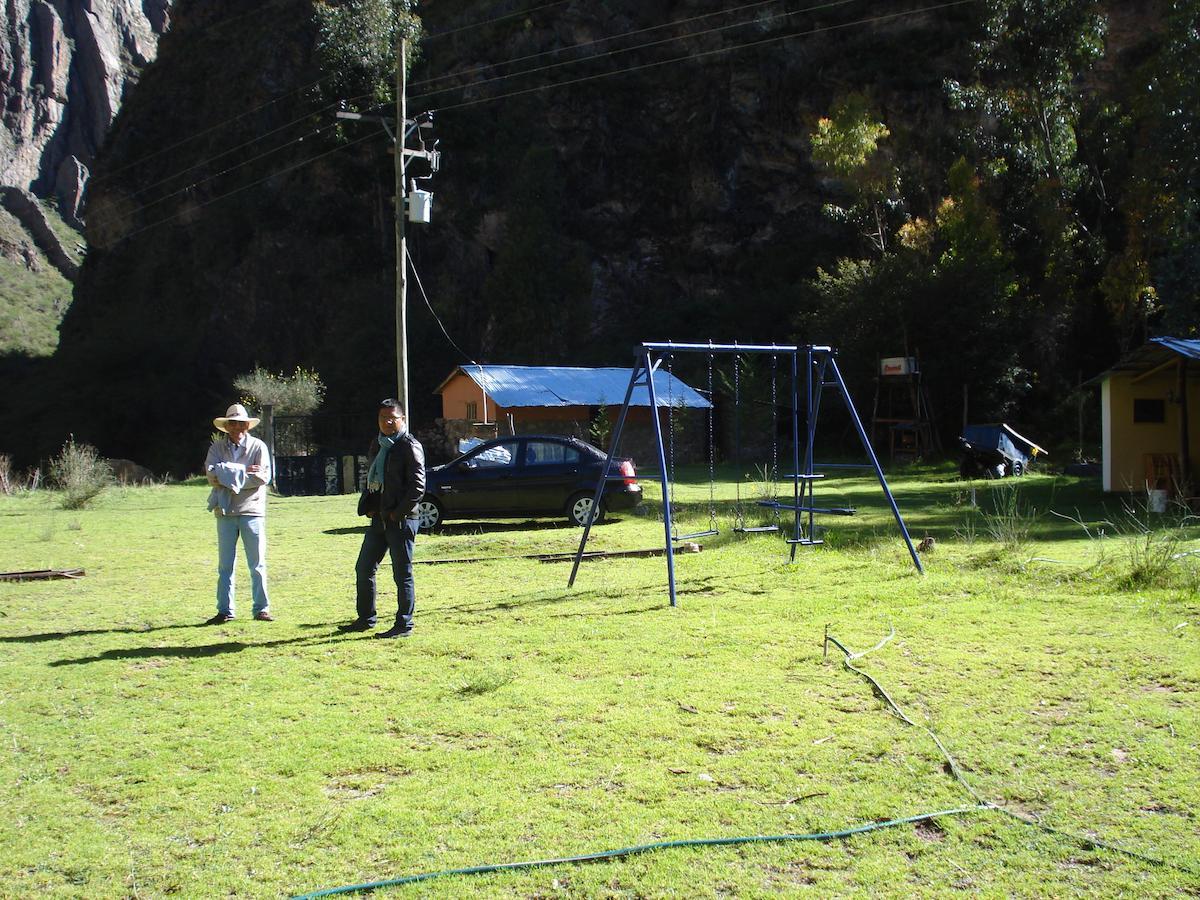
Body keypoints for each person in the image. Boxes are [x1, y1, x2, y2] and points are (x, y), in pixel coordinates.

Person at [341, 399, 425, 638]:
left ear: (402, 420)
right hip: (379, 519)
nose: (387, 422)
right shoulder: (378, 444)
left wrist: (396, 513)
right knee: (364, 568)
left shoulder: (410, 446)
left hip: (401, 520)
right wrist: (370, 507)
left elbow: (418, 488)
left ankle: (404, 625)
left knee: (402, 573)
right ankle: (366, 619)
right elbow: (372, 479)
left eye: (392, 418)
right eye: (383, 418)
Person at [204, 403, 273, 623]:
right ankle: (225, 610)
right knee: (225, 565)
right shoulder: (217, 448)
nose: (236, 427)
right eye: (232, 423)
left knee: (257, 564)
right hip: (225, 511)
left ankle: (261, 609)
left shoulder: (258, 446)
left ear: (246, 425)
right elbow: (212, 476)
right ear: (227, 426)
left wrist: (228, 474)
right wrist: (243, 471)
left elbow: (262, 477)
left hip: (252, 511)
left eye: (240, 423)